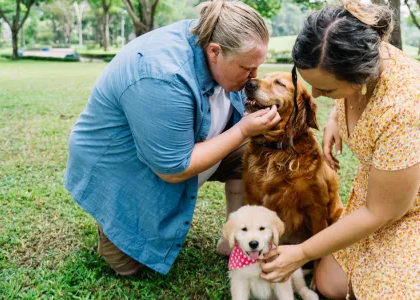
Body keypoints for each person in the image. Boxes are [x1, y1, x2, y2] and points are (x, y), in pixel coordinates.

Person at [259, 1, 420, 299]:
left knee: (388, 292)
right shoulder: (364, 51)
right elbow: (346, 92)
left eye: (326, 91)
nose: (315, 96)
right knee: (329, 282)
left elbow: (381, 211)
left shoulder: (406, 108)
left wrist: (301, 252)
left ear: (361, 77)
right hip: (389, 181)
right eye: (312, 85)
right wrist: (338, 118)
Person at [64, 0, 281, 276]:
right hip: (124, 167)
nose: (254, 77)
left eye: (257, 66)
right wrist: (241, 130)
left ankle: (235, 239)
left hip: (184, 147)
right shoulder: (162, 75)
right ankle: (116, 215)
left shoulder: (214, 39)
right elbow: (173, 169)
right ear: (215, 52)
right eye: (247, 69)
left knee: (252, 152)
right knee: (132, 268)